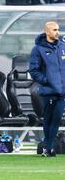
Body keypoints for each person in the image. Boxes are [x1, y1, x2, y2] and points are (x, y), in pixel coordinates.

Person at [29, 21, 65, 157]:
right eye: (54, 30)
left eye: (58, 29)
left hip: (62, 91)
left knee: (56, 119)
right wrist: (47, 81)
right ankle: (48, 147)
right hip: (48, 91)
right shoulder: (38, 49)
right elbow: (34, 70)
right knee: (48, 119)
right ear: (47, 32)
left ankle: (49, 147)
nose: (57, 32)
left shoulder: (62, 46)